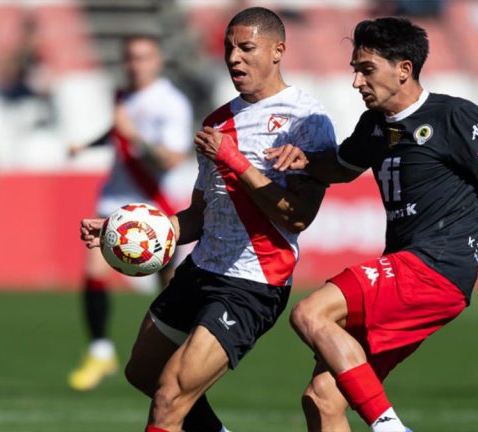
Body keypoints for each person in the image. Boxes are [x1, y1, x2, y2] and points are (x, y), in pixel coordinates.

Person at [265, 17, 478, 432]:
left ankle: (390, 427)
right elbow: (342, 169)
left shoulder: (455, 116)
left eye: (366, 69)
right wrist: (307, 161)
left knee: (310, 313)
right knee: (323, 398)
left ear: (403, 69)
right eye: (355, 69)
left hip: (435, 267)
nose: (357, 82)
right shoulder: (374, 126)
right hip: (408, 268)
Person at [79, 7, 336, 432]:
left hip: (252, 283)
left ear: (278, 51)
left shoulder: (306, 120)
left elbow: (298, 218)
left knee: (169, 399)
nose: (234, 58)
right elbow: (198, 215)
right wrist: (121, 233)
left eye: (247, 48)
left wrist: (233, 160)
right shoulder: (217, 121)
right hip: (202, 269)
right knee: (142, 373)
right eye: (228, 48)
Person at [67, 35, 193, 392]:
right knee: (93, 269)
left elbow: (170, 158)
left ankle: (175, 355)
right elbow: (117, 133)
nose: (136, 64)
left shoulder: (171, 103)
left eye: (143, 56)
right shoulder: (123, 96)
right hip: (115, 200)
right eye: (130, 57)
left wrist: (133, 136)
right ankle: (100, 350)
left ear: (157, 60)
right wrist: (89, 144)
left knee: (166, 285)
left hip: (153, 204)